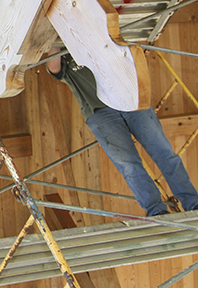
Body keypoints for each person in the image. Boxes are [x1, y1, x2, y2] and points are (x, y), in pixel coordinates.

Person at [48, 54, 198, 217]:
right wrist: (52, 36)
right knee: (129, 165)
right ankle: (156, 211)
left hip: (130, 100)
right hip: (100, 112)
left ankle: (193, 203)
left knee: (165, 154)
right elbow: (54, 67)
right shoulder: (64, 57)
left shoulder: (93, 37)